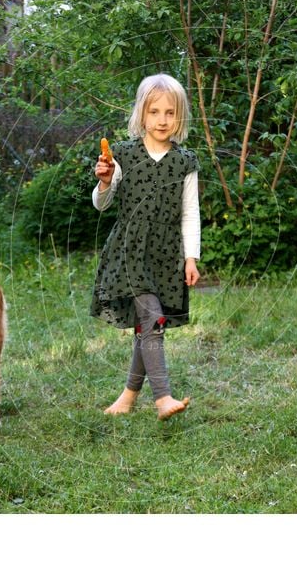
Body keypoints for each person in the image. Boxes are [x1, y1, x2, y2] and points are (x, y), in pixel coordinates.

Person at [90, 73, 200, 420]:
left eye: (170, 112)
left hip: (166, 255)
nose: (162, 120)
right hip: (129, 252)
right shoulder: (121, 155)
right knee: (151, 317)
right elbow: (102, 204)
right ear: (141, 114)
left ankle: (127, 396)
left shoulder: (185, 161)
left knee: (149, 324)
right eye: (154, 112)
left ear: (179, 116)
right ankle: (163, 398)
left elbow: (190, 213)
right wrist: (105, 182)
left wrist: (191, 257)